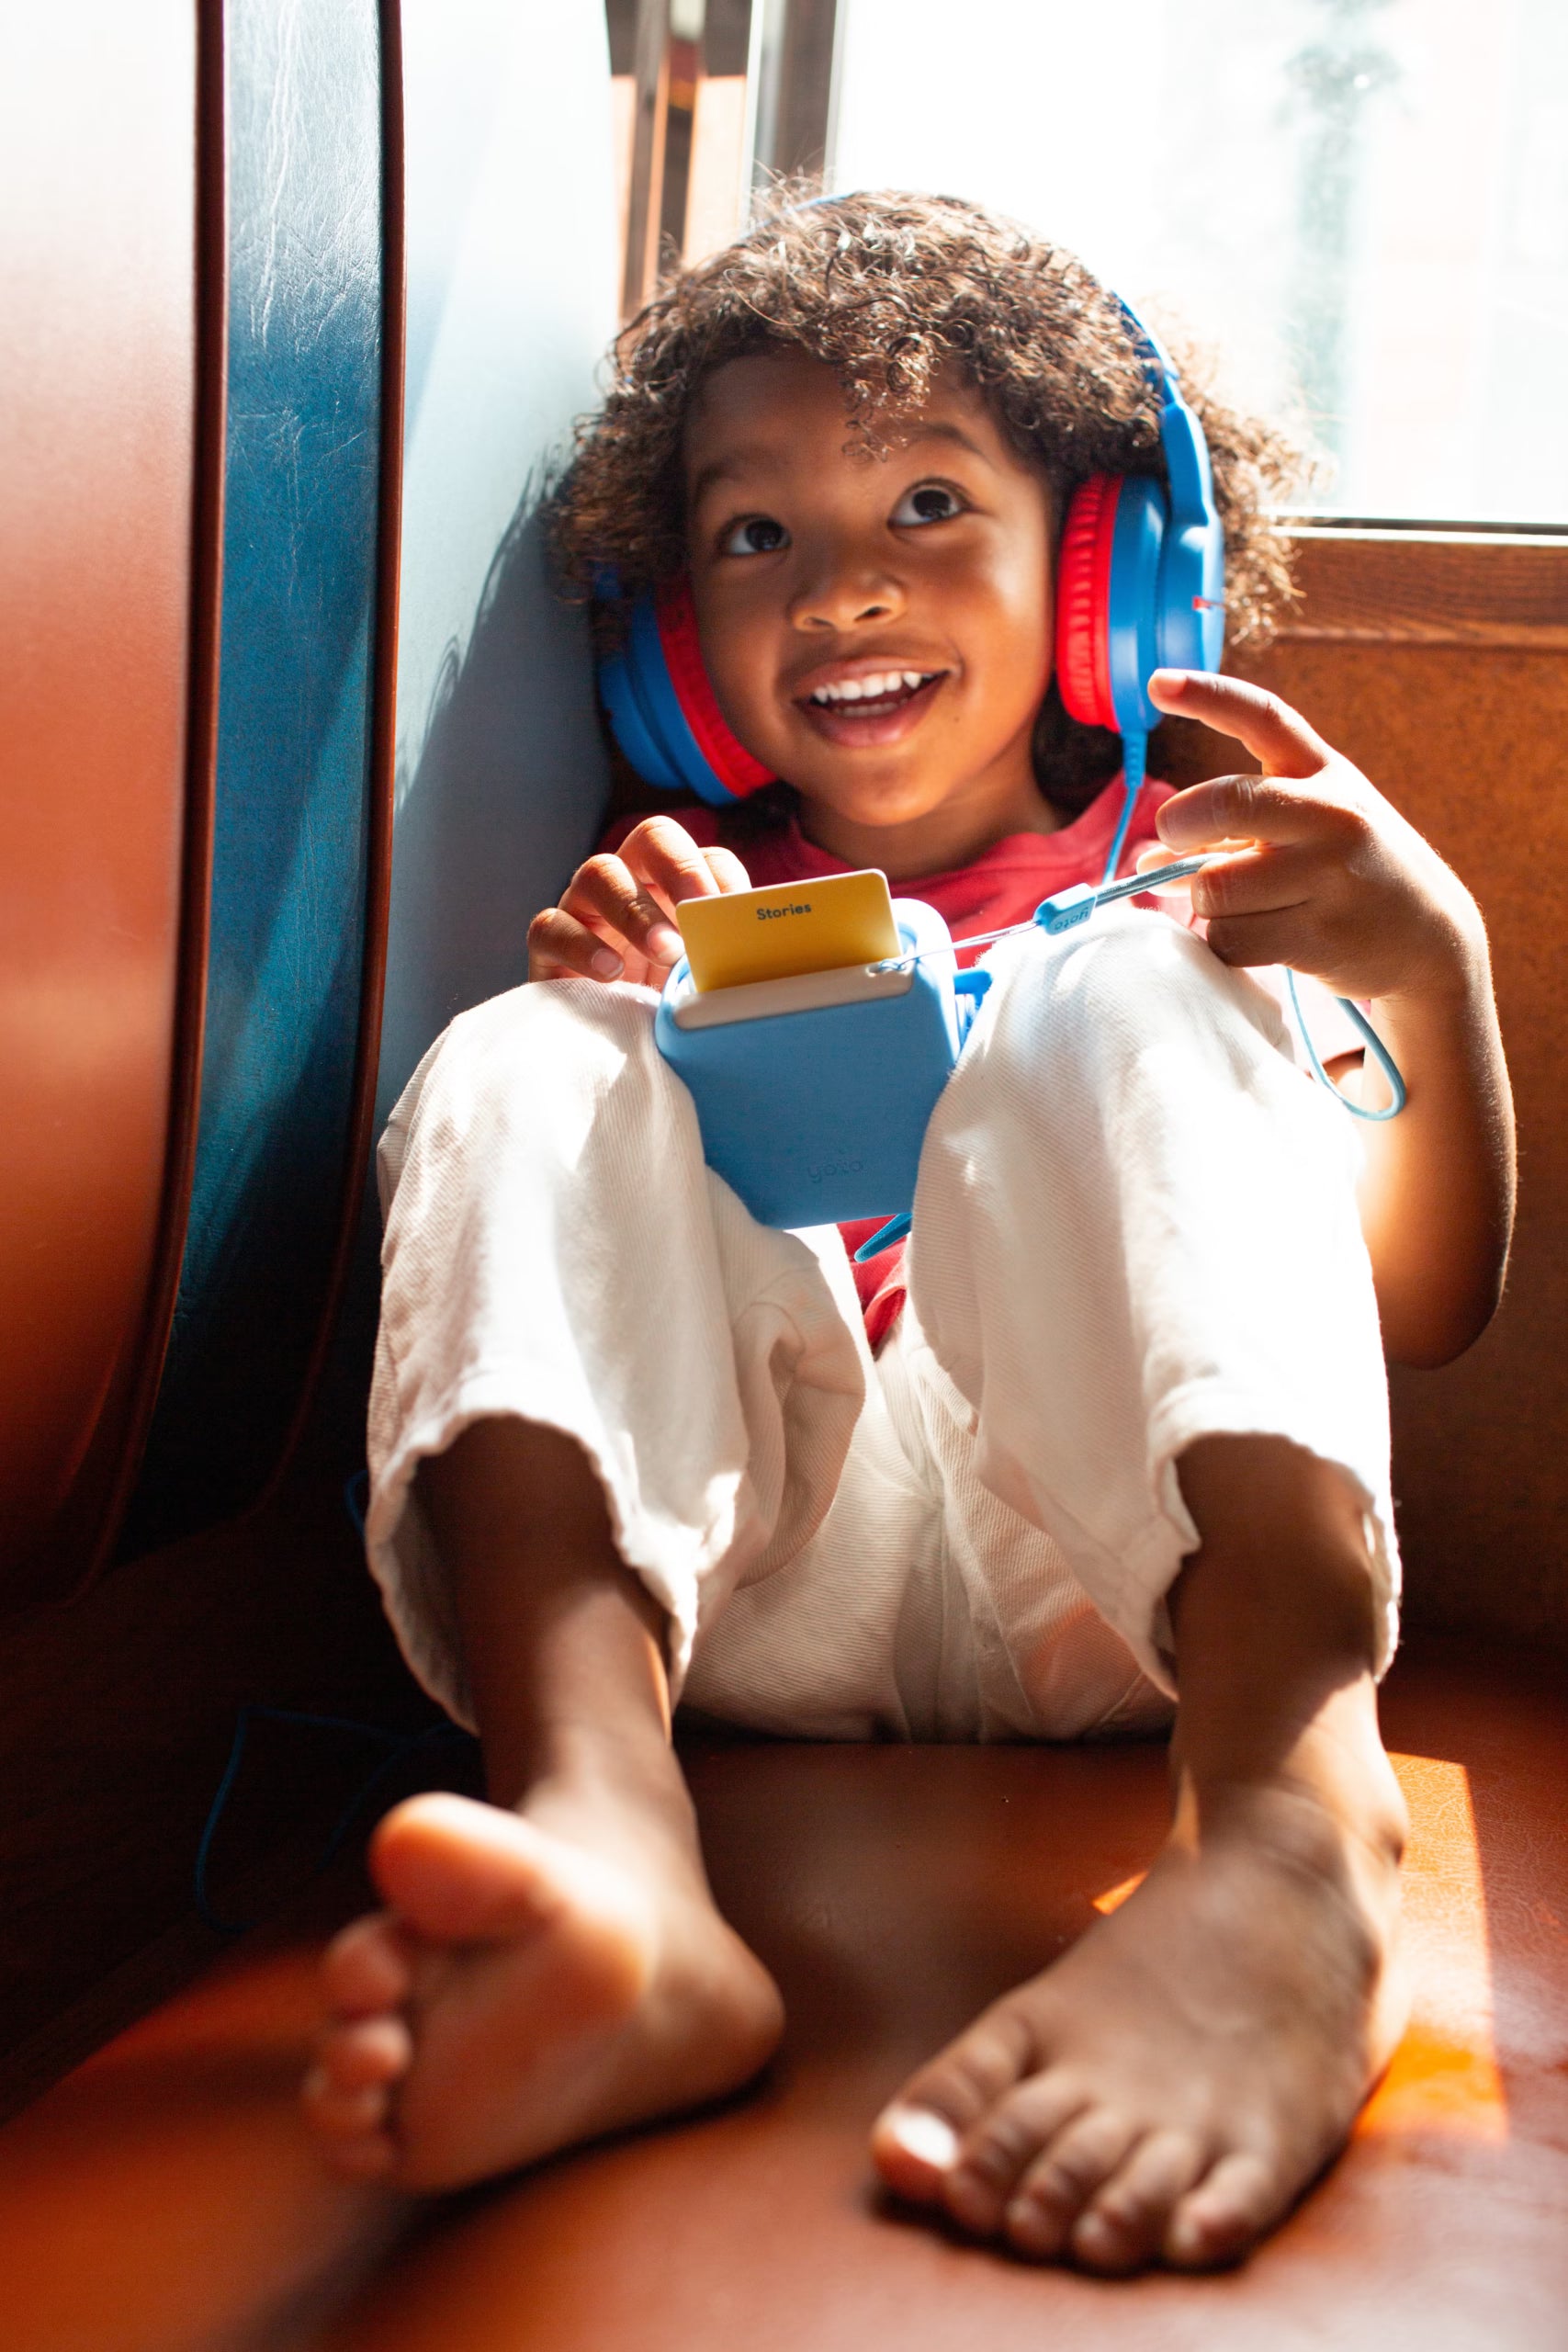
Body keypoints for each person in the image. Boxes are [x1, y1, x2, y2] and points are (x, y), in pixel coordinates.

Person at [300, 194, 1514, 2273]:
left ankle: (1290, 1837)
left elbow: (1418, 1300)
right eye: (751, 532)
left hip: (1132, 1585)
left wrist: (1430, 965)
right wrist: (617, 1012)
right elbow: (593, 1259)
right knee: (525, 1045)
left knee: (1127, 979)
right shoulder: (672, 888)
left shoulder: (1207, 878)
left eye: (929, 503)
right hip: (771, 1586)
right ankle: (605, 1847)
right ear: (675, 636)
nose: (837, 585)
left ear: (1101, 571)